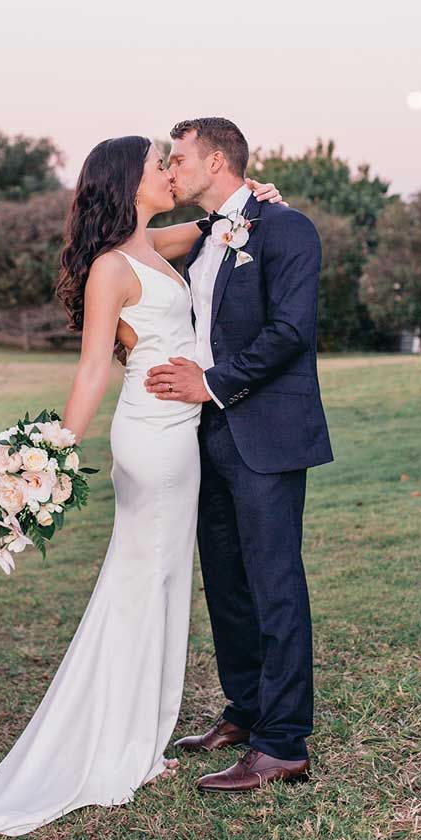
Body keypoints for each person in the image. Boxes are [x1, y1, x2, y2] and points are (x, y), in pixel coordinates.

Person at [0, 134, 283, 840]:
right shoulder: (112, 267)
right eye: (155, 167)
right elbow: (91, 373)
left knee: (158, 585)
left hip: (176, 434)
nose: (168, 173)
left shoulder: (149, 246)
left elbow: (210, 227)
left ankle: (138, 736)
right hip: (154, 437)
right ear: (124, 182)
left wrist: (249, 204)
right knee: (146, 585)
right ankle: (120, 749)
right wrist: (51, 458)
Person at [144, 117, 333, 792]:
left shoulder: (286, 229)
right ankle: (246, 713)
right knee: (226, 581)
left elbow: (292, 331)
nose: (171, 167)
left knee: (274, 584)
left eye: (180, 157)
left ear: (218, 160)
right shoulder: (205, 240)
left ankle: (282, 745)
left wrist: (213, 383)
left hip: (266, 431)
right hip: (207, 434)